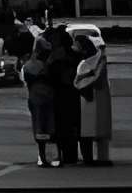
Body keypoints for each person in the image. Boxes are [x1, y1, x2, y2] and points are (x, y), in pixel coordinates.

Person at [74, 35, 113, 166]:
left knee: (87, 129)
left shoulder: (87, 63)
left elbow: (80, 81)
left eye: (76, 45)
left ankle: (89, 158)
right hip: (99, 96)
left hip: (88, 97)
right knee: (98, 127)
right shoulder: (98, 61)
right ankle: (102, 158)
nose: (74, 47)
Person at [46, 27, 81, 165]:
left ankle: (61, 154)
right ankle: (71, 155)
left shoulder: (54, 57)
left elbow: (49, 74)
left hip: (60, 95)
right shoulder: (76, 56)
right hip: (73, 94)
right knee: (72, 126)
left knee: (61, 126)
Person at [23, 37, 57, 167]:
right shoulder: (48, 64)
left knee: (39, 126)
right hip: (46, 97)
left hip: (35, 98)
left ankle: (42, 156)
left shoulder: (29, 65)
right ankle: (49, 157)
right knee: (48, 126)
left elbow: (27, 81)